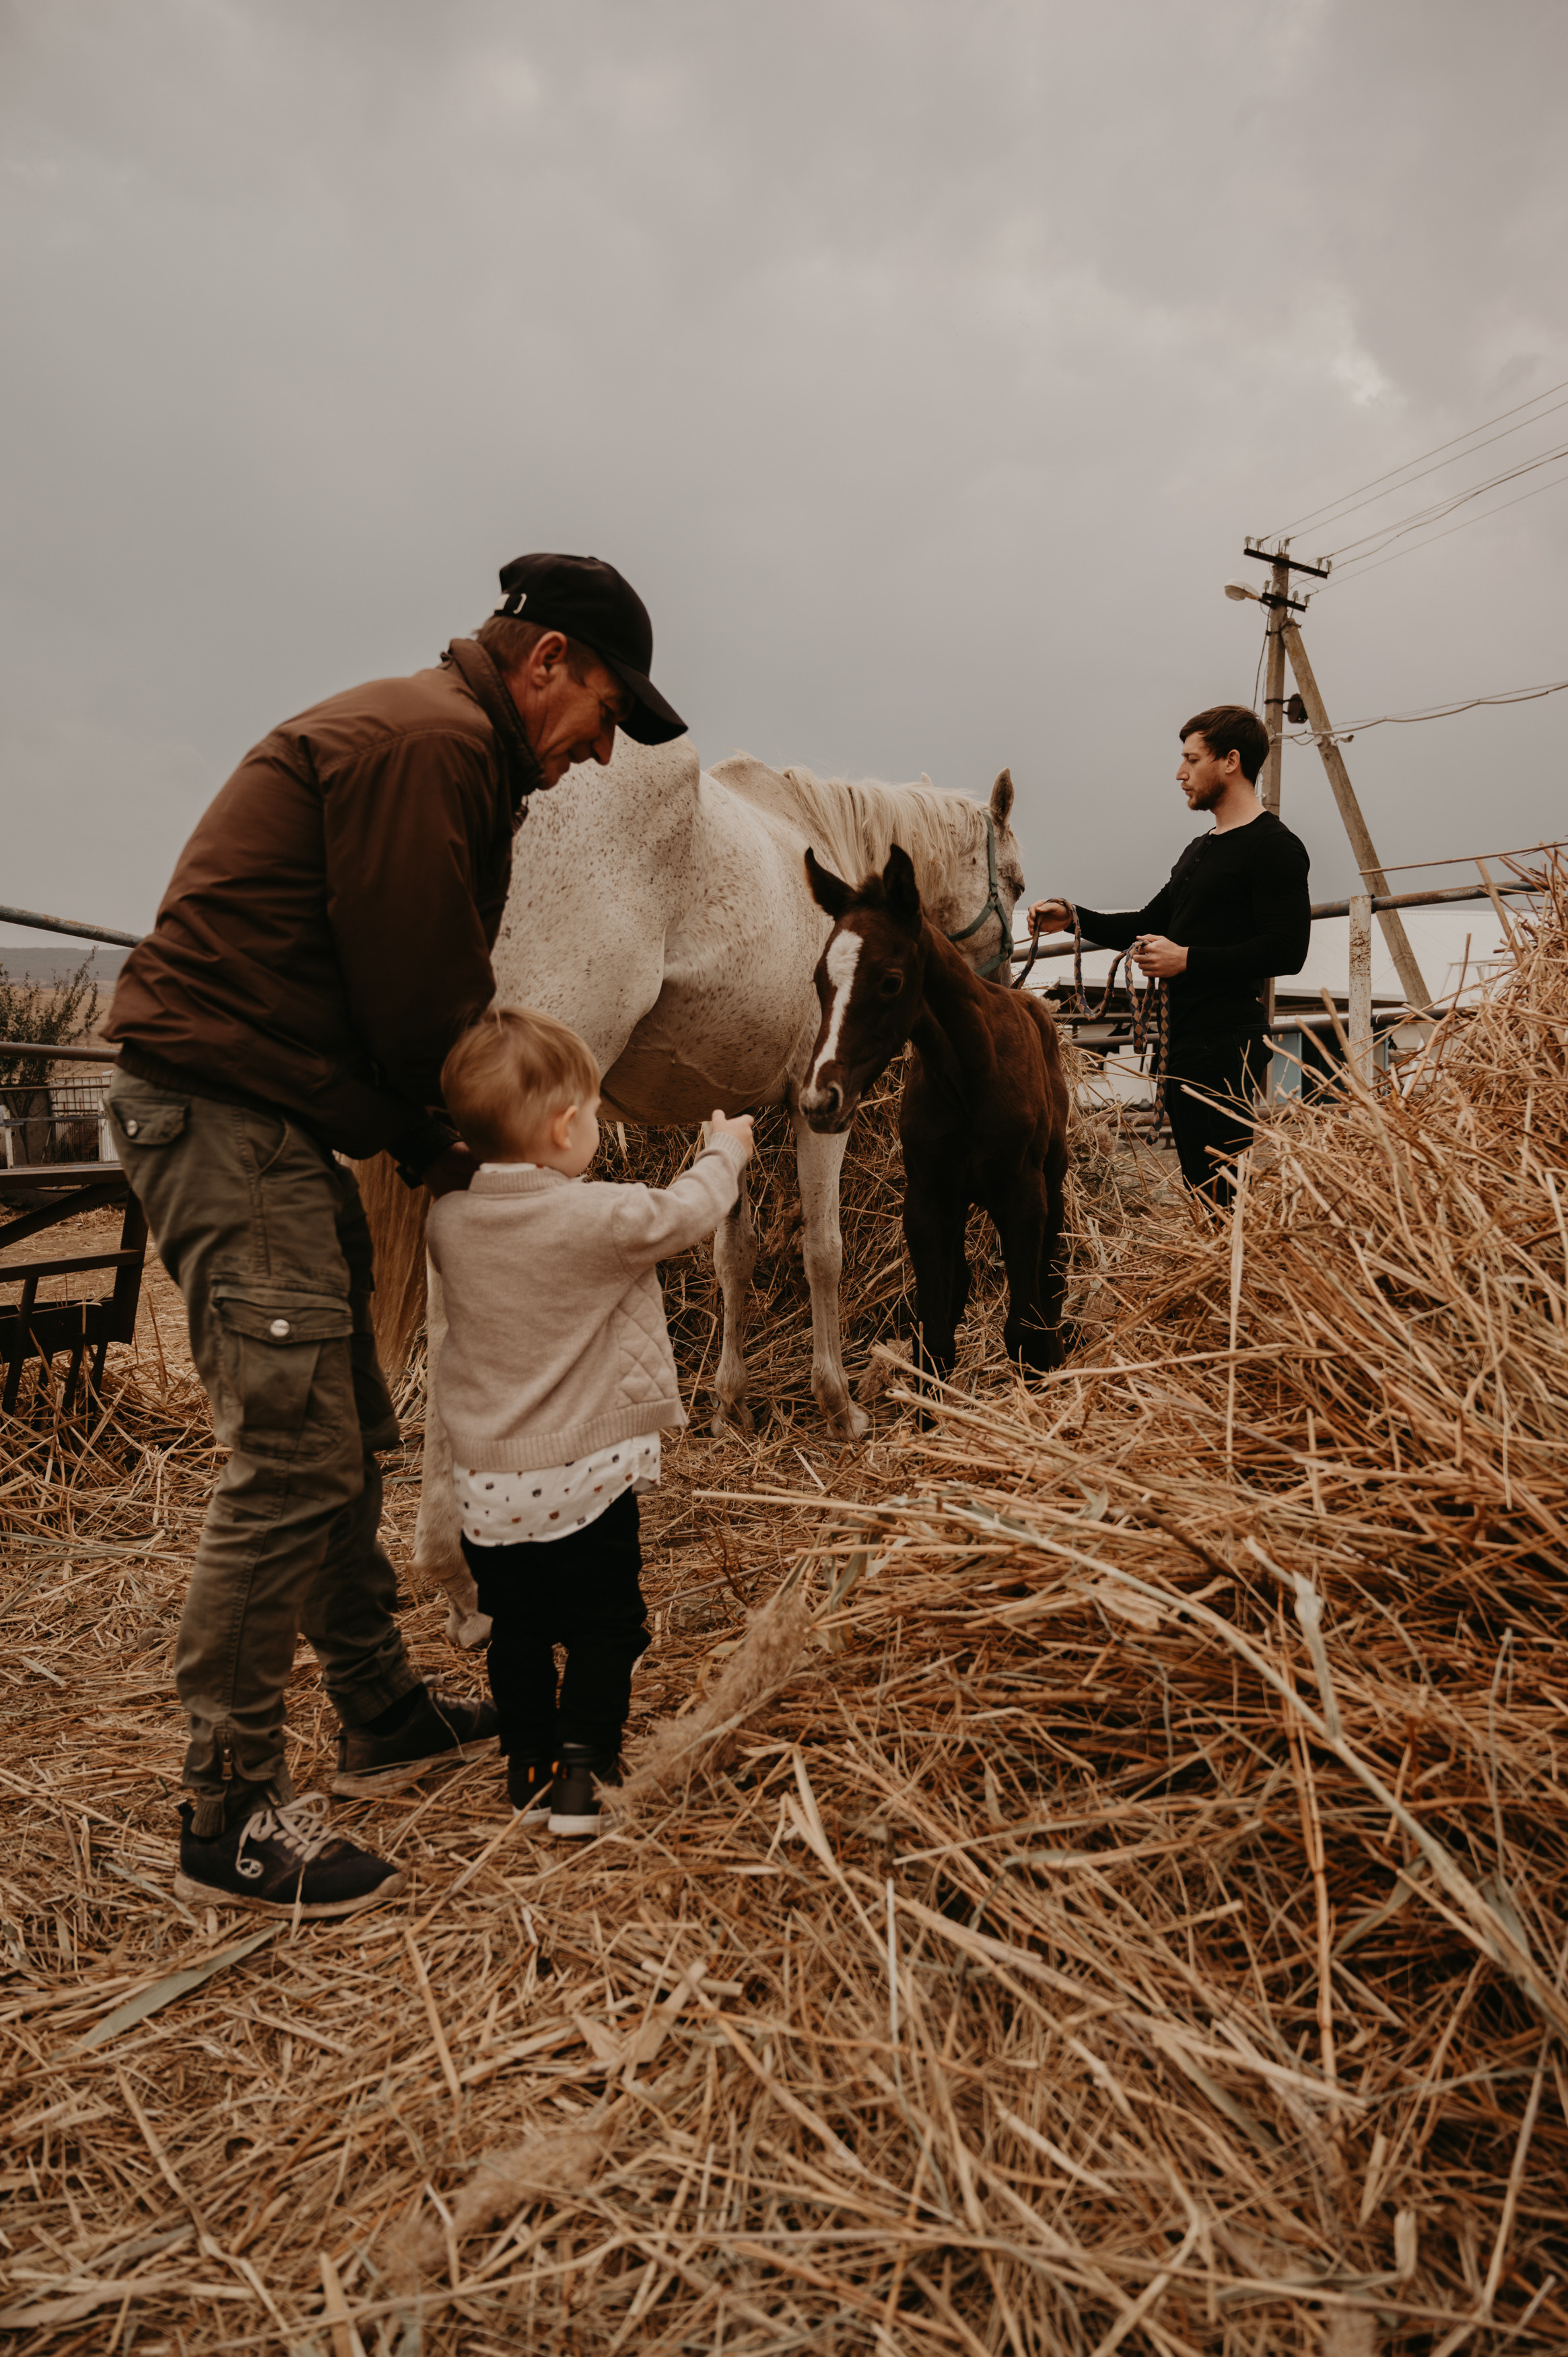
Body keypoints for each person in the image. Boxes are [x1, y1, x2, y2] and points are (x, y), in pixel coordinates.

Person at [102, 553, 689, 1919]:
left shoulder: (445, 746)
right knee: (291, 1455)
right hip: (225, 1111)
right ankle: (227, 1807)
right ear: (543, 661)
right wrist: (494, 1162)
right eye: (600, 709)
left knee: (343, 1416)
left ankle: (374, 1707)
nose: (597, 750)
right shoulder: (430, 747)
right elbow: (426, 1002)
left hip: (269, 1110)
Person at [427, 1007, 754, 1836]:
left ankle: (529, 1771)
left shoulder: (448, 1223)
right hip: (585, 1481)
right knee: (610, 1626)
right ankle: (585, 1772)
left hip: (488, 1492)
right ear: (565, 1124)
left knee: (520, 1635)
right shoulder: (596, 1216)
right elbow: (685, 1212)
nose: (598, 1129)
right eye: (596, 1113)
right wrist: (726, 1152)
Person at [1028, 704, 1310, 1202]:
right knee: (1199, 1186)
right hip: (1181, 1034)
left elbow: (1287, 950)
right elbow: (1146, 923)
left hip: (1226, 1040)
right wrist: (1073, 917)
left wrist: (1187, 960)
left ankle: (1233, 1271)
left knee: (1222, 1188)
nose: (1180, 774)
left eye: (1191, 759)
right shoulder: (1200, 848)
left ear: (1230, 761)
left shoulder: (1273, 846)